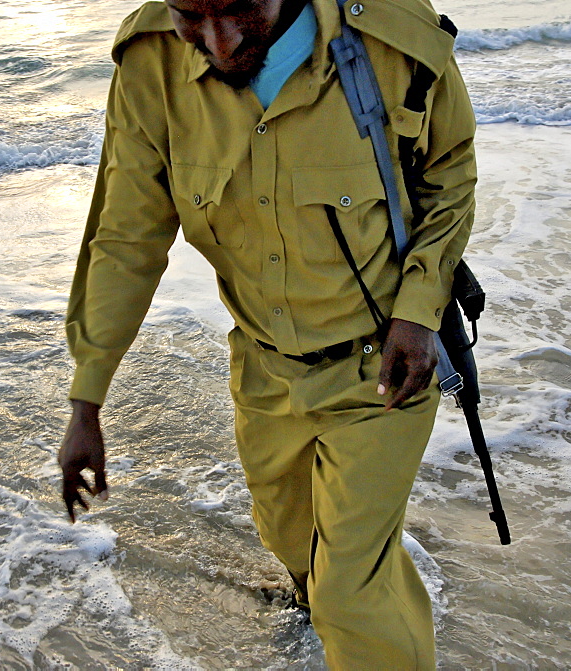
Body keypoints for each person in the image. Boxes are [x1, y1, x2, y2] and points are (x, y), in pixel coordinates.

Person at [58, 0, 477, 668]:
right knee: (293, 542)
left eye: (240, 9)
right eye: (190, 14)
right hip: (263, 371)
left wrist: (420, 309)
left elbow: (450, 171)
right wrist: (87, 400)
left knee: (352, 596)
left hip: (382, 370)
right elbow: (124, 238)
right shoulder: (149, 68)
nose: (219, 43)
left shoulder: (392, 42)